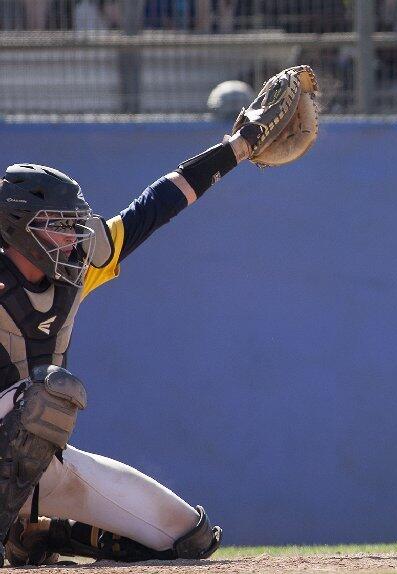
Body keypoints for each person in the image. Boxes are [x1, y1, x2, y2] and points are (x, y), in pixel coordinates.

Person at [0, 66, 311, 566]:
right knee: (46, 397)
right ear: (16, 229)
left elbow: (158, 204)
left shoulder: (80, 268)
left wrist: (238, 146)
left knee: (187, 536)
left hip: (34, 468)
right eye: (58, 226)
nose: (75, 238)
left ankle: (35, 532)